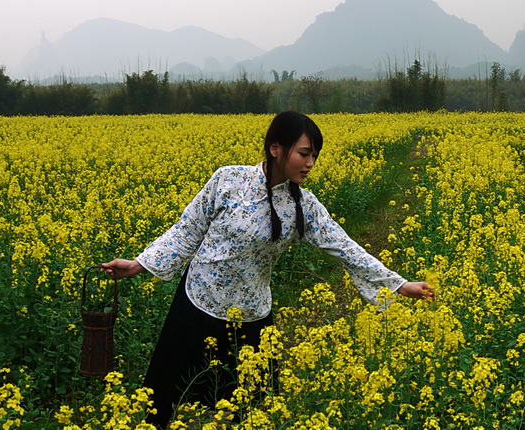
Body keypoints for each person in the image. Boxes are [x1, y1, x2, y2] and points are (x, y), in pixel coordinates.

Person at [102, 111, 435, 428]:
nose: (310, 163)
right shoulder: (228, 179)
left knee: (251, 412)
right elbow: (187, 230)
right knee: (160, 404)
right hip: (196, 306)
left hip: (252, 317)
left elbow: (346, 248)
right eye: (304, 153)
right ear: (276, 148)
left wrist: (397, 284)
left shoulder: (304, 206)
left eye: (314, 156)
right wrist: (139, 264)